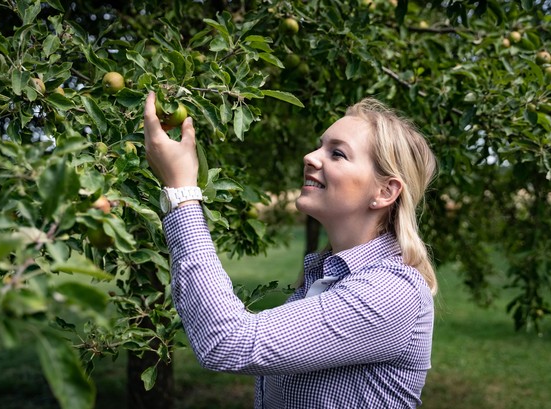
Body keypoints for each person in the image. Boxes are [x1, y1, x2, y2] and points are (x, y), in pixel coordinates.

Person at [143, 92, 438, 409]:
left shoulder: (392, 291)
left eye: (337, 154)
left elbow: (229, 341)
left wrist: (182, 193)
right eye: (320, 145)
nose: (310, 157)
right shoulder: (326, 278)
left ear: (384, 192)